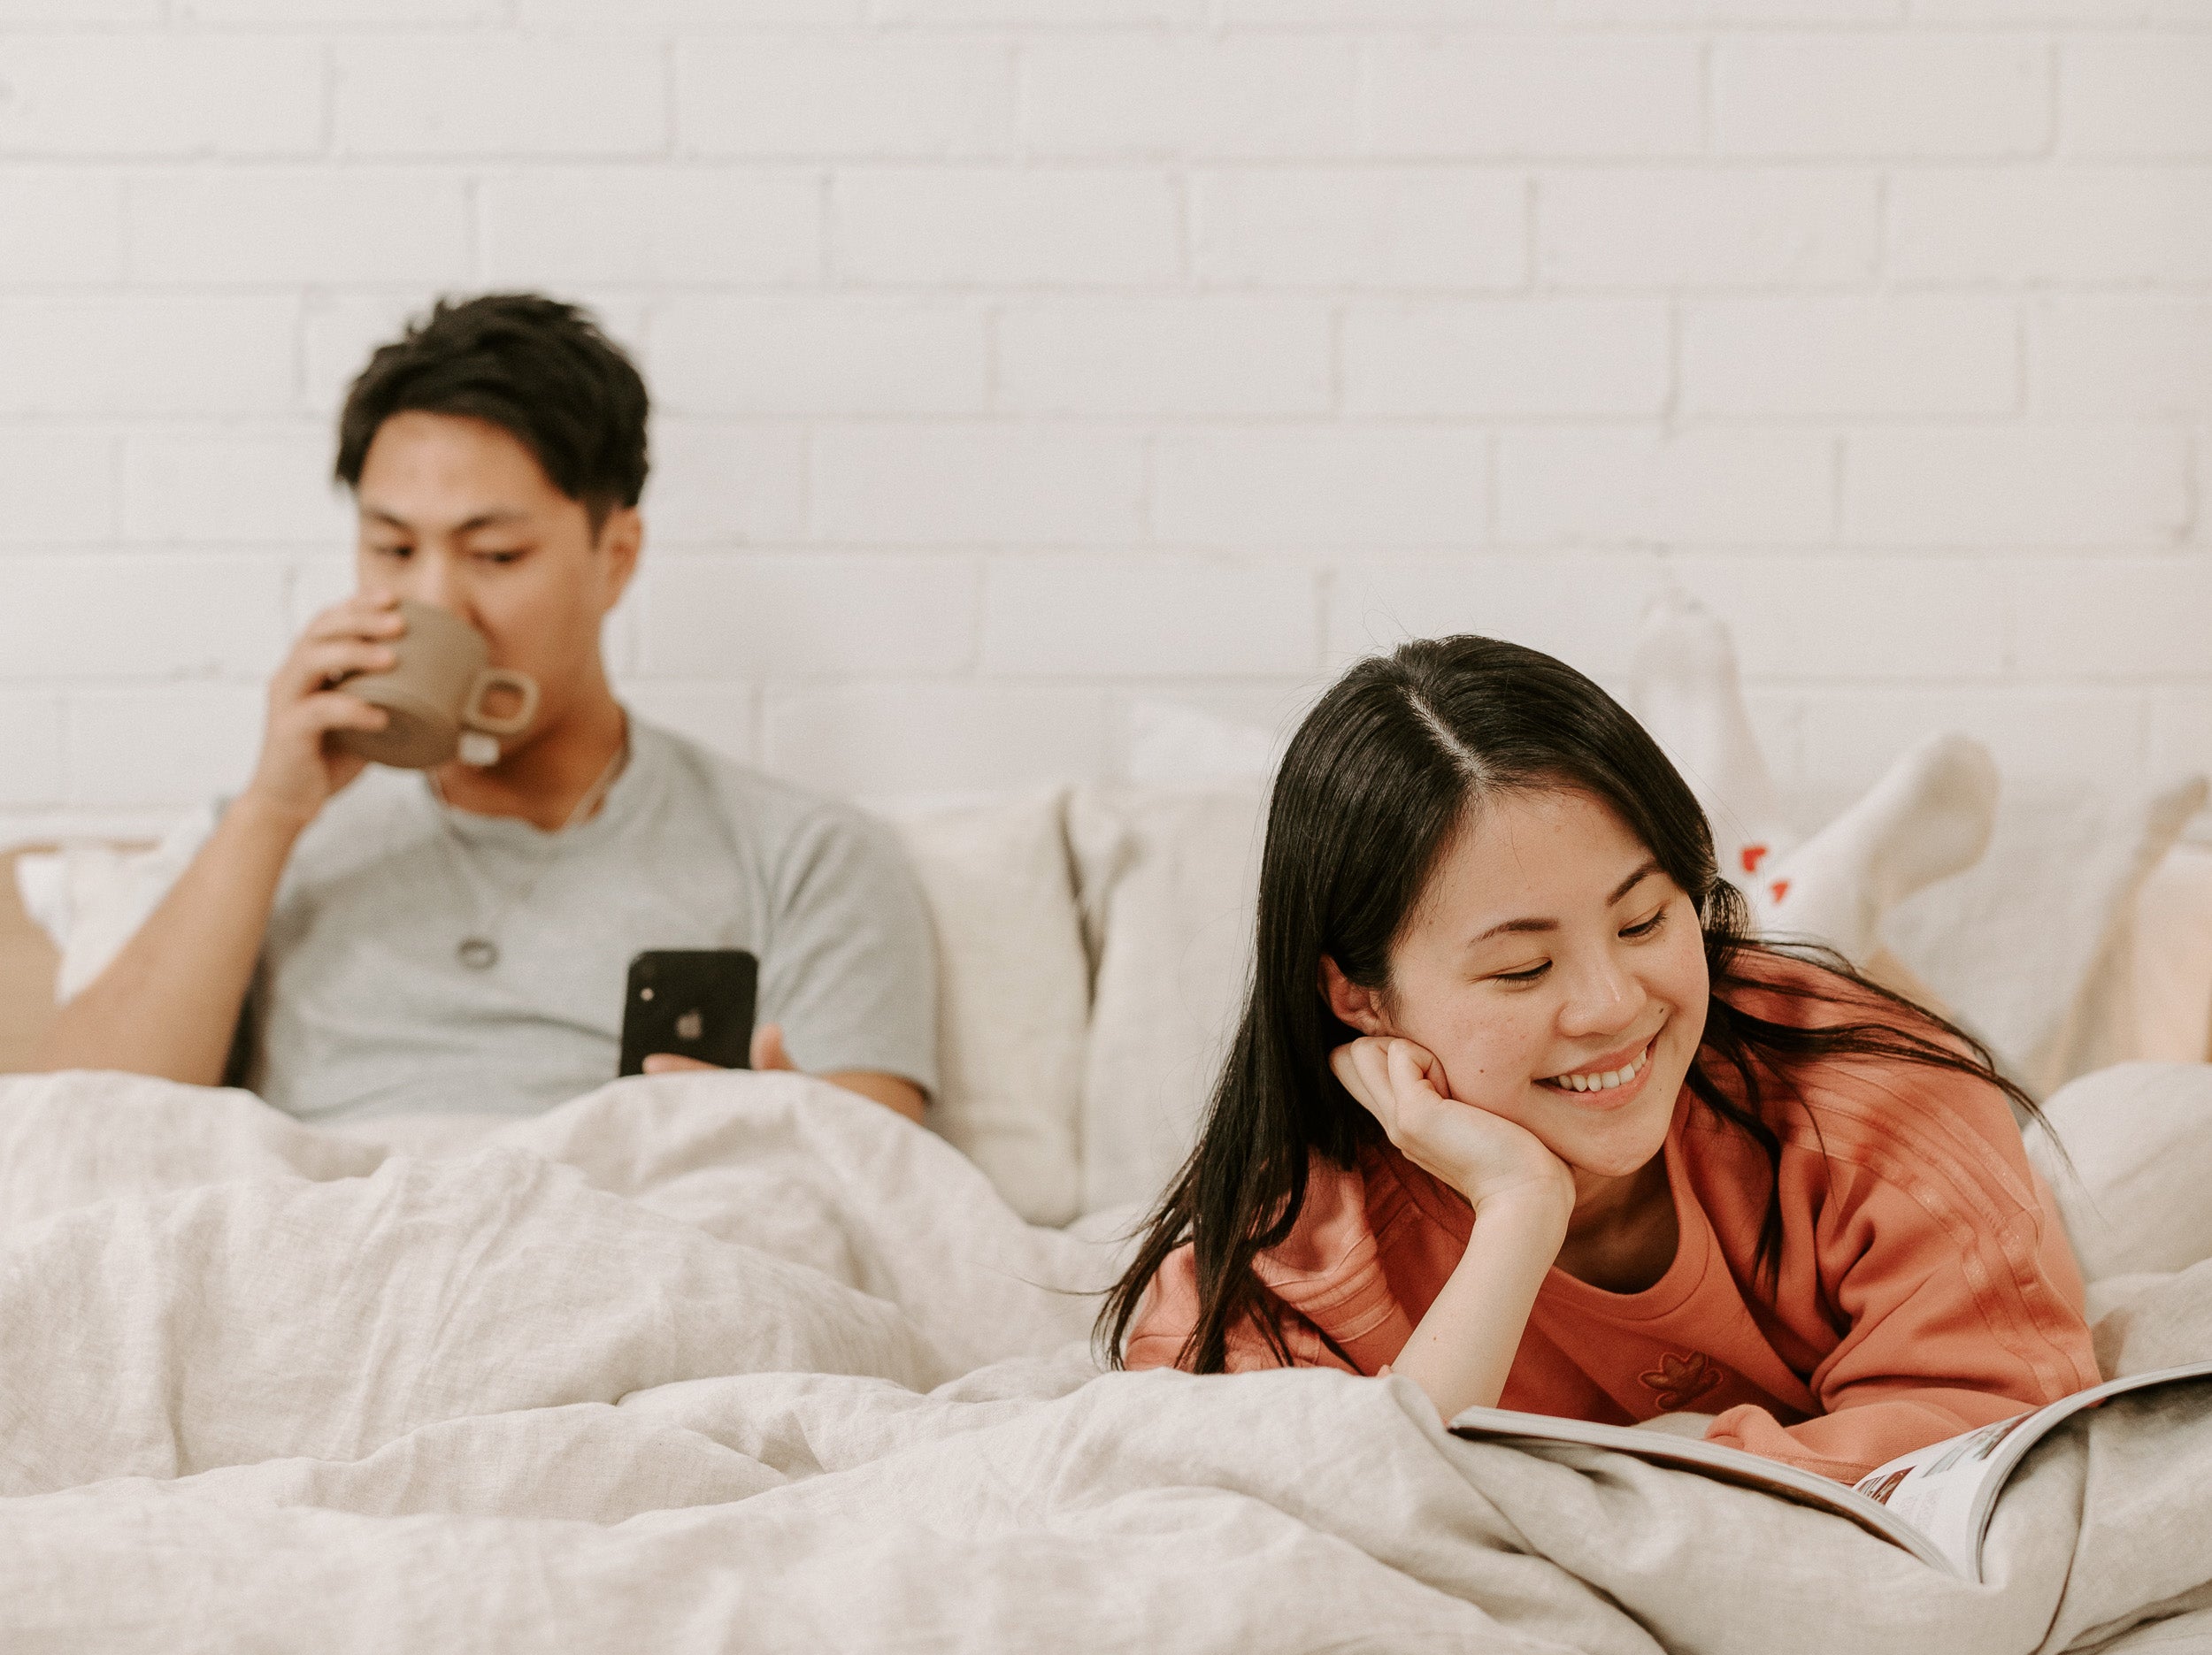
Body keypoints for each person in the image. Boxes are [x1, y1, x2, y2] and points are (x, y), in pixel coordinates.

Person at [1105, 634, 2101, 1482]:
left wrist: (1669, 1459)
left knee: (2143, 1131)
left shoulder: (1878, 1102)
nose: (1611, 1005)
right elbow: (1318, 1509)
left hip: (1927, 1100)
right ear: (1360, 997)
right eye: (1524, 968)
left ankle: (1804, 899)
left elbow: (2001, 1428)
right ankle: (1798, 889)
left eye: (1642, 918)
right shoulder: (1302, 1244)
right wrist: (1518, 1209)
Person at [36, 294, 936, 1130]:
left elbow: (886, 1202)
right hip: (327, 1266)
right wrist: (271, 813)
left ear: (615, 556)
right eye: (392, 548)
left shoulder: (801, 854)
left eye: (496, 555)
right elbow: (72, 1135)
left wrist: (780, 1133)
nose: (437, 603)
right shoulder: (267, 835)